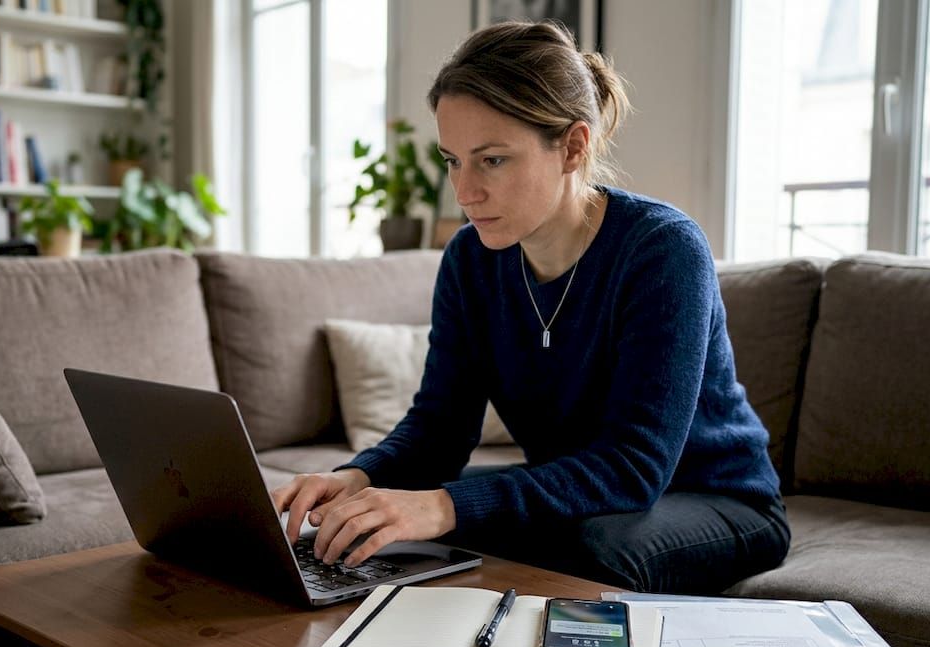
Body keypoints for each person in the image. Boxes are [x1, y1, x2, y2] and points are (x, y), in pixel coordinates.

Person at [271, 20, 790, 594]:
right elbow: (439, 430)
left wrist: (442, 507)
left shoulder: (662, 250)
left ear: (573, 146)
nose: (465, 192)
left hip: (716, 498)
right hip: (588, 495)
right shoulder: (470, 260)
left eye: (492, 160)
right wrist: (356, 478)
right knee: (377, 520)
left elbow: (634, 467)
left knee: (581, 544)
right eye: (453, 160)